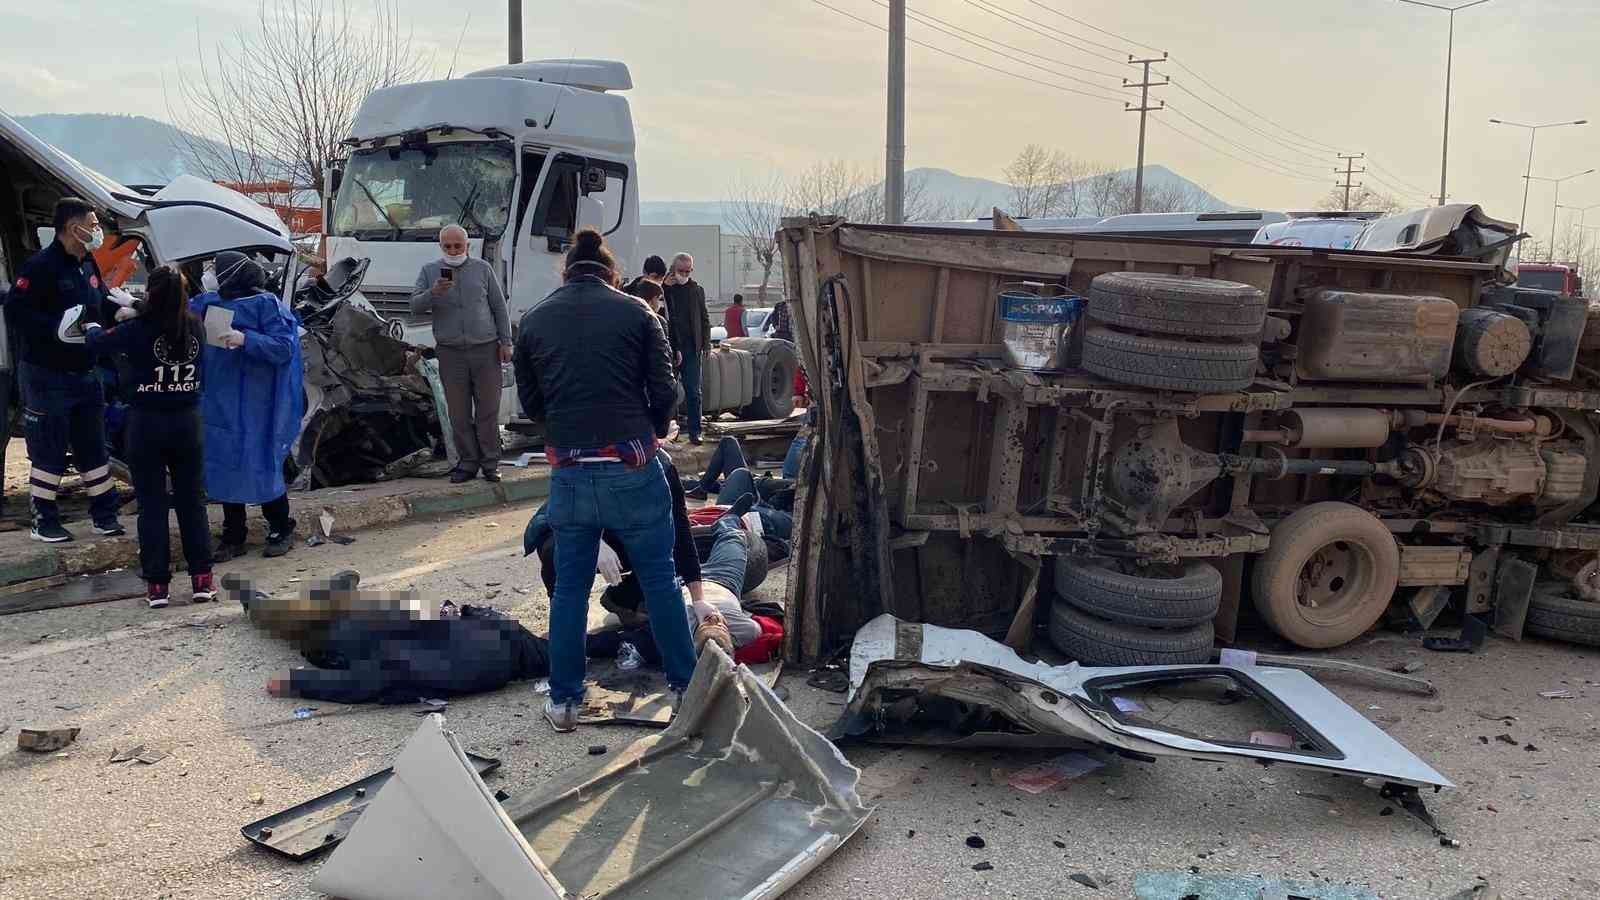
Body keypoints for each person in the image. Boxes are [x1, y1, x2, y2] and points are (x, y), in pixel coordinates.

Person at [513, 227, 693, 733]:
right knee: (660, 579)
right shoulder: (638, 312)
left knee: (569, 589)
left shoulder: (535, 319)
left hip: (570, 471)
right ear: (612, 272)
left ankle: (566, 702)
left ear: (565, 270)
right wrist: (653, 431)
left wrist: (565, 435)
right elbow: (666, 389)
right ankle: (685, 692)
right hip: (632, 465)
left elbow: (531, 404)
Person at [59, 266, 214, 608]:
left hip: (147, 424)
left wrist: (94, 322)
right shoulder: (195, 327)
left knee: (153, 506)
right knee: (192, 503)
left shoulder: (137, 329)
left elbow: (97, 343)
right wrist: (140, 307)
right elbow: (164, 316)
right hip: (188, 423)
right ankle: (202, 580)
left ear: (151, 295)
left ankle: (157, 586)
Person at [2, 197, 124, 543]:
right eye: (94, 223)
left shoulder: (87, 264)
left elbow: (100, 307)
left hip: (85, 372)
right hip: (46, 373)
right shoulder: (40, 267)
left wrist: (123, 313)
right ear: (74, 228)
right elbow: (15, 312)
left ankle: (105, 514)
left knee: (93, 446)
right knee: (49, 447)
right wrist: (55, 327)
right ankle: (44, 519)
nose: (97, 230)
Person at [194, 250, 304, 560]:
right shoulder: (209, 302)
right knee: (226, 466)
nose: (209, 273)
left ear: (233, 273)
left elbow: (284, 346)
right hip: (220, 399)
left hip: (257, 404)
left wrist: (246, 340)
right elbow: (175, 314)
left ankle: (281, 527)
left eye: (215, 268)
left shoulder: (267, 305)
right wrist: (138, 308)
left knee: (261, 465)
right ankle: (234, 535)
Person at [409, 225, 512, 484]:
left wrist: (506, 342)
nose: (453, 251)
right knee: (458, 412)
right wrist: (433, 293)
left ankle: (490, 463)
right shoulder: (429, 271)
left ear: (467, 245)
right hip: (450, 351)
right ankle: (467, 463)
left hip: (486, 348)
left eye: (458, 246)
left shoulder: (482, 269)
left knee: (488, 409)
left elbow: (499, 307)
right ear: (440, 246)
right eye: (448, 246)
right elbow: (414, 306)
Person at [662, 252, 710, 445]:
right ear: (673, 269)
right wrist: (665, 287)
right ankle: (669, 431)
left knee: (693, 391)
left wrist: (705, 343)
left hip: (692, 348)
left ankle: (694, 431)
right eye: (681, 271)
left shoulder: (696, 290)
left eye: (688, 271)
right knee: (668, 391)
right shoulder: (665, 289)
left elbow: (704, 318)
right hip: (670, 347)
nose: (684, 274)